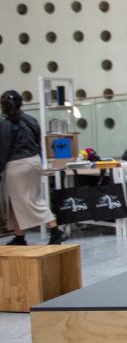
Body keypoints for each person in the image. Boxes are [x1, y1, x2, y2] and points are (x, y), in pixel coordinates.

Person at [0, 91, 66, 245]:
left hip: (16, 166)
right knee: (17, 201)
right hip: (34, 162)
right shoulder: (30, 119)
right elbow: (38, 141)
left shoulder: (5, 124)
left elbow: (3, 149)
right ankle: (19, 236)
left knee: (30, 201)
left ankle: (55, 231)